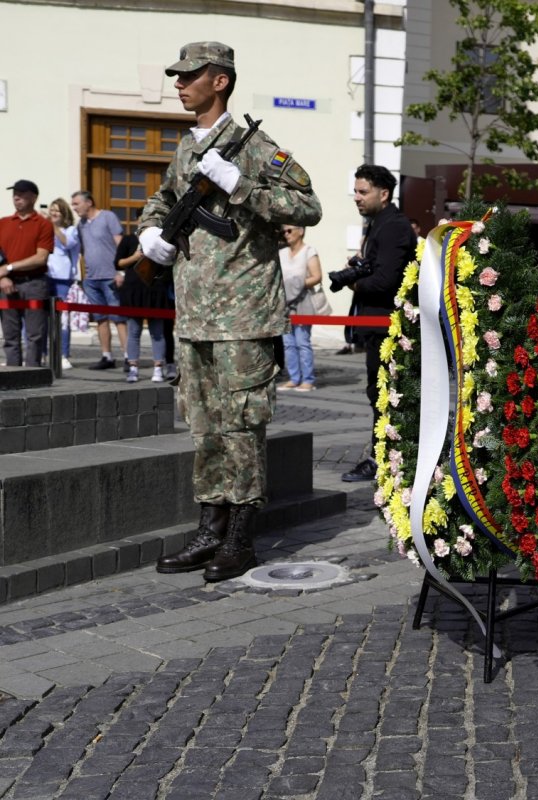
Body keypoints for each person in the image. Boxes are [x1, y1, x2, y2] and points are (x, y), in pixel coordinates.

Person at [140, 41, 322, 582]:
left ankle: (241, 539)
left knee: (242, 429)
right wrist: (150, 230)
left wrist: (240, 185)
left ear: (219, 81)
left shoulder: (257, 147)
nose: (178, 84)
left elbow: (308, 206)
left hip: (242, 313)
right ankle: (209, 529)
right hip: (194, 313)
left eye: (189, 76)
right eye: (177, 77)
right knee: (205, 428)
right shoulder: (185, 147)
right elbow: (162, 199)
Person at [340, 164, 415, 482]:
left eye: (362, 191)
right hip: (376, 328)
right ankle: (383, 456)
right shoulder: (377, 225)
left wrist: (352, 280)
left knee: (386, 393)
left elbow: (385, 282)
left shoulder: (394, 226)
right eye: (355, 191)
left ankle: (384, 459)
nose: (356, 197)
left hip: (389, 329)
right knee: (378, 392)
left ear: (383, 194)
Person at [0, 180, 55, 367]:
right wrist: (4, 276)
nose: (16, 197)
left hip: (34, 283)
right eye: (14, 193)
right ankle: (12, 377)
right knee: (10, 335)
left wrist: (9, 268)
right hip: (7, 285)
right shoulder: (3, 223)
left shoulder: (43, 224)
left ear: (33, 197)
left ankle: (32, 376)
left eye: (22, 193)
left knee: (35, 335)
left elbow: (41, 258)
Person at [73, 190, 127, 369]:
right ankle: (107, 356)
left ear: (88, 202)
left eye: (76, 204)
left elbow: (120, 244)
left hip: (111, 277)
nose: (74, 208)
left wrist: (121, 271)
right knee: (100, 318)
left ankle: (129, 357)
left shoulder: (108, 217)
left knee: (118, 318)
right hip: (91, 279)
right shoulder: (80, 225)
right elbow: (81, 251)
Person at [112, 233, 169, 383]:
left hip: (155, 289)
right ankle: (133, 368)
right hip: (134, 290)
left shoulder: (160, 238)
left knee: (157, 332)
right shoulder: (129, 239)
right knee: (134, 331)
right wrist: (135, 257)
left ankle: (158, 368)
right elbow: (118, 263)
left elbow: (169, 261)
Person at [278, 225, 327, 392]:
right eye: (284, 231)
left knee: (302, 342)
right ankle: (294, 378)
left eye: (289, 230)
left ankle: (308, 379)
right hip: (284, 303)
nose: (286, 234)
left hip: (302, 301)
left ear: (301, 231)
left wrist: (295, 285)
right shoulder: (282, 253)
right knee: (288, 343)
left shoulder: (309, 251)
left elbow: (317, 276)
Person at [45, 197, 80, 370]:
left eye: (57, 211)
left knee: (62, 318)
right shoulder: (45, 228)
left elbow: (68, 243)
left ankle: (63, 354)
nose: (53, 213)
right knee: (42, 318)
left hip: (63, 277)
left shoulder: (71, 230)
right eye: (52, 210)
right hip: (45, 275)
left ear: (64, 213)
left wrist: (53, 226)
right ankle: (43, 353)